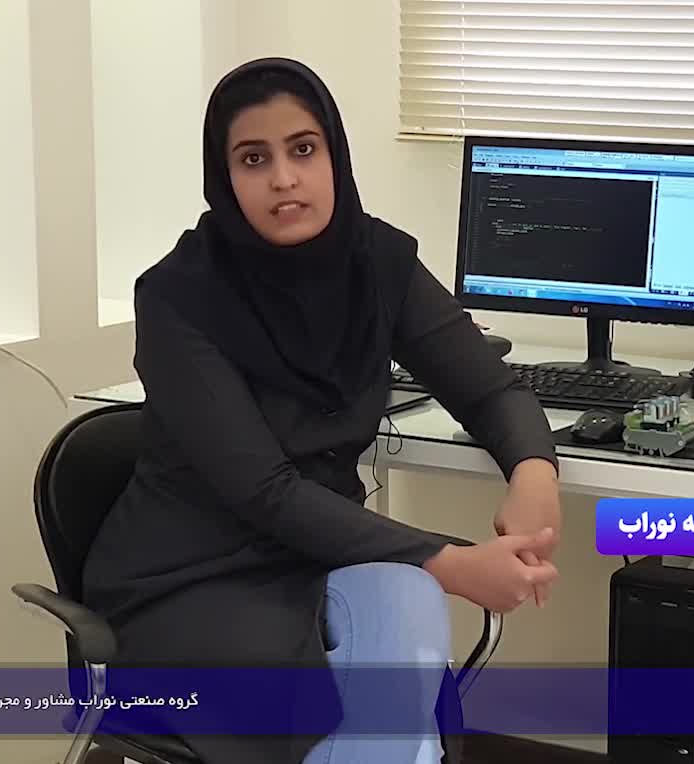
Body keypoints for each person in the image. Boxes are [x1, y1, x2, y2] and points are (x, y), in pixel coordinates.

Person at [80, 57, 563, 764]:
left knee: (407, 611)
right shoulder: (178, 298)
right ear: (224, 176)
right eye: (254, 159)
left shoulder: (376, 261)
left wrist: (533, 473)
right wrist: (451, 561)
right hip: (190, 580)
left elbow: (492, 391)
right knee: (338, 702)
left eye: (303, 149)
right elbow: (264, 490)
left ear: (334, 154)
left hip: (322, 553)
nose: (284, 178)